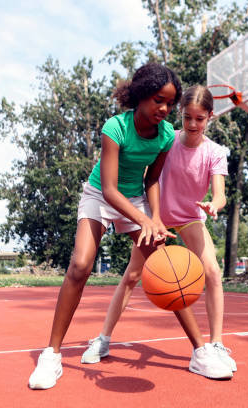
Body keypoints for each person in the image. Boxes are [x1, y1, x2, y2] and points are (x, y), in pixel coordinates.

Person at [28, 67, 233, 390]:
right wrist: (146, 221)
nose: (163, 109)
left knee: (168, 267)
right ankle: (51, 354)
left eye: (169, 103)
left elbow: (152, 179)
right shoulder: (116, 127)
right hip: (100, 196)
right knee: (80, 265)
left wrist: (153, 217)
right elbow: (109, 189)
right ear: (140, 96)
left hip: (135, 198)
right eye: (157, 101)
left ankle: (200, 351)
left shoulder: (165, 135)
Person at [81, 84, 237, 372]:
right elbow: (148, 176)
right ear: (180, 114)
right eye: (187, 117)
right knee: (131, 276)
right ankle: (103, 339)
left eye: (199, 119)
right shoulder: (167, 139)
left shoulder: (215, 152)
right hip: (157, 218)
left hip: (191, 218)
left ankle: (215, 345)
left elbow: (220, 193)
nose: (192, 124)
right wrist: (150, 217)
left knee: (213, 272)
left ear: (210, 117)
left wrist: (215, 204)